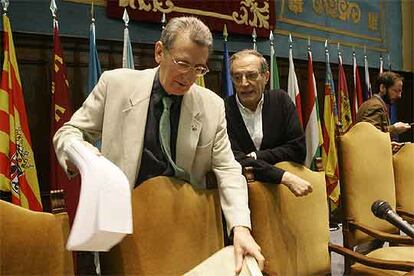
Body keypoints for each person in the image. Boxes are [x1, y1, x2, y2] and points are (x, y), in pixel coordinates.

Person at [53, 17, 264, 273]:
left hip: (184, 224)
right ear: (159, 52)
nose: (188, 78)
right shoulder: (116, 84)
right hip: (125, 223)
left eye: (198, 68)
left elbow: (228, 169)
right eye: (182, 63)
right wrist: (86, 156)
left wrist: (241, 227)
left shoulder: (211, 105)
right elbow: (70, 131)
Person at [224, 49, 312, 197]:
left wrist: (255, 157)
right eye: (237, 77)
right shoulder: (223, 109)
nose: (244, 83)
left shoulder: (280, 101)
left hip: (284, 194)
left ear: (266, 77)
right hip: (240, 196)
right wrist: (283, 176)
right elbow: (233, 159)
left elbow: (298, 150)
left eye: (251, 75)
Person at [356, 72, 411, 152]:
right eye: (396, 91)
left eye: (400, 91)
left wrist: (389, 145)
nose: (399, 95)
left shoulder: (374, 103)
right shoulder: (375, 106)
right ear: (382, 88)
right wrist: (394, 129)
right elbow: (370, 136)